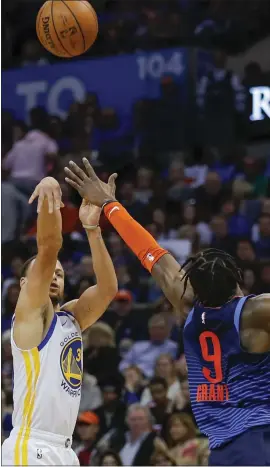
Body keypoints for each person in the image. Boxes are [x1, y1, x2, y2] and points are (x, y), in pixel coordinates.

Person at [65, 158, 270, 466]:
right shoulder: (256, 311)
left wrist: (109, 203)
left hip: (224, 448)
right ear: (238, 282)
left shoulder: (186, 304)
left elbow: (151, 254)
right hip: (259, 437)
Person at [2, 175, 118, 466]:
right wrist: (50, 189)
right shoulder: (29, 315)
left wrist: (92, 229)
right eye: (48, 272)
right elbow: (50, 246)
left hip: (65, 449)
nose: (54, 275)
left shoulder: (71, 319)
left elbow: (107, 289)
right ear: (27, 282)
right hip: (31, 444)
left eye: (60, 273)